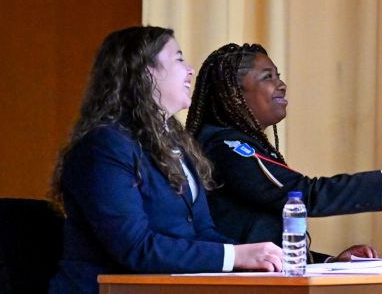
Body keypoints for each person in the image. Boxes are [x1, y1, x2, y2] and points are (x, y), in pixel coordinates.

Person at [49, 27, 283, 294]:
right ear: (147, 72)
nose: (190, 70)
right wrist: (235, 257)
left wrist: (262, 262)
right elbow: (136, 248)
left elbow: (203, 233)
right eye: (179, 59)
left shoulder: (176, 144)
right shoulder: (104, 146)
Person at [186, 42, 382, 262]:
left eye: (278, 75)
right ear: (233, 93)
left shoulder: (232, 142)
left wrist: (330, 262)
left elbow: (261, 236)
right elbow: (306, 195)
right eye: (268, 77)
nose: (281, 84)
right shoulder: (226, 146)